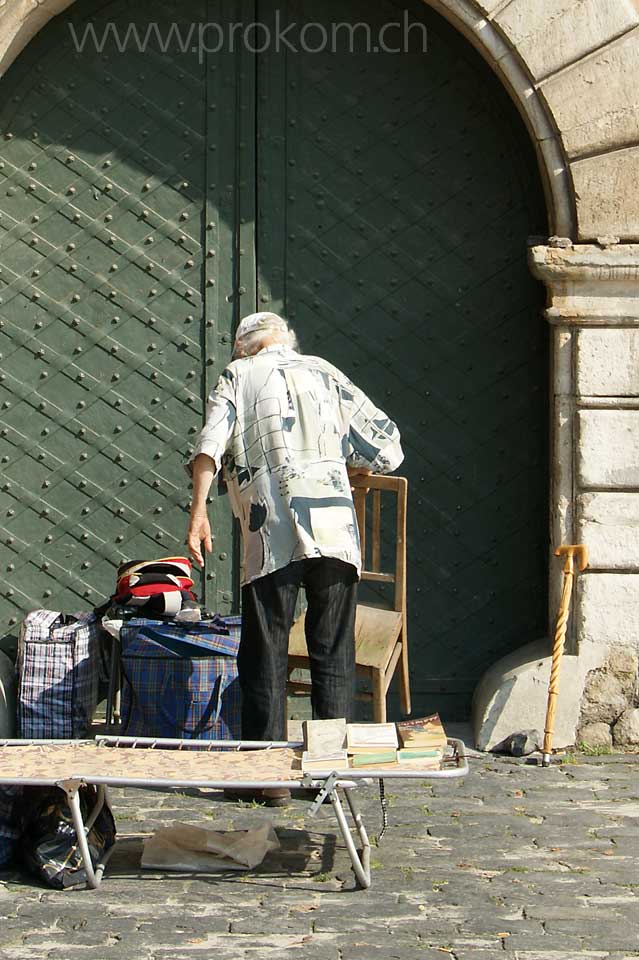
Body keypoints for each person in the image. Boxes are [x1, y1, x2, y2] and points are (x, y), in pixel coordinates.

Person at [186, 312, 403, 804]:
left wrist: (198, 513)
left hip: (273, 531)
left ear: (244, 349)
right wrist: (338, 464)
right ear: (287, 341)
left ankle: (268, 778)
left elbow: (209, 447)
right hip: (334, 531)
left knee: (266, 647)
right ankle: (329, 772)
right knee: (332, 648)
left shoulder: (239, 376)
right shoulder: (325, 371)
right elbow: (387, 448)